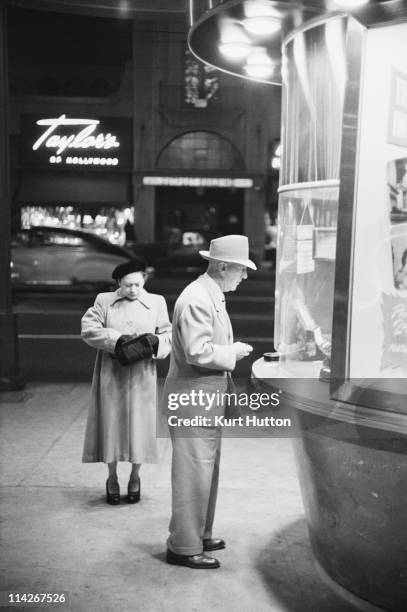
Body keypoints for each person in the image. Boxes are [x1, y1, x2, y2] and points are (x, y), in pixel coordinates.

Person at [164, 235, 256, 569]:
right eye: (240, 270)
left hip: (202, 398)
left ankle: (198, 535)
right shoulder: (198, 299)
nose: (243, 277)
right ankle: (184, 547)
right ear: (221, 267)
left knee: (205, 471)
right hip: (192, 400)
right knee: (193, 475)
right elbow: (197, 351)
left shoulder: (209, 294)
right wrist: (234, 351)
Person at [81, 259, 171, 504]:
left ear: (145, 281)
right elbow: (88, 328)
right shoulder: (104, 300)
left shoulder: (156, 302)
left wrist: (155, 343)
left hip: (142, 374)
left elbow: (168, 334)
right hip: (111, 372)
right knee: (110, 426)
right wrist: (116, 340)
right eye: (128, 285)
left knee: (139, 428)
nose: (133, 290)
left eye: (138, 285)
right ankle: (111, 477)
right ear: (118, 283)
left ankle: (135, 476)